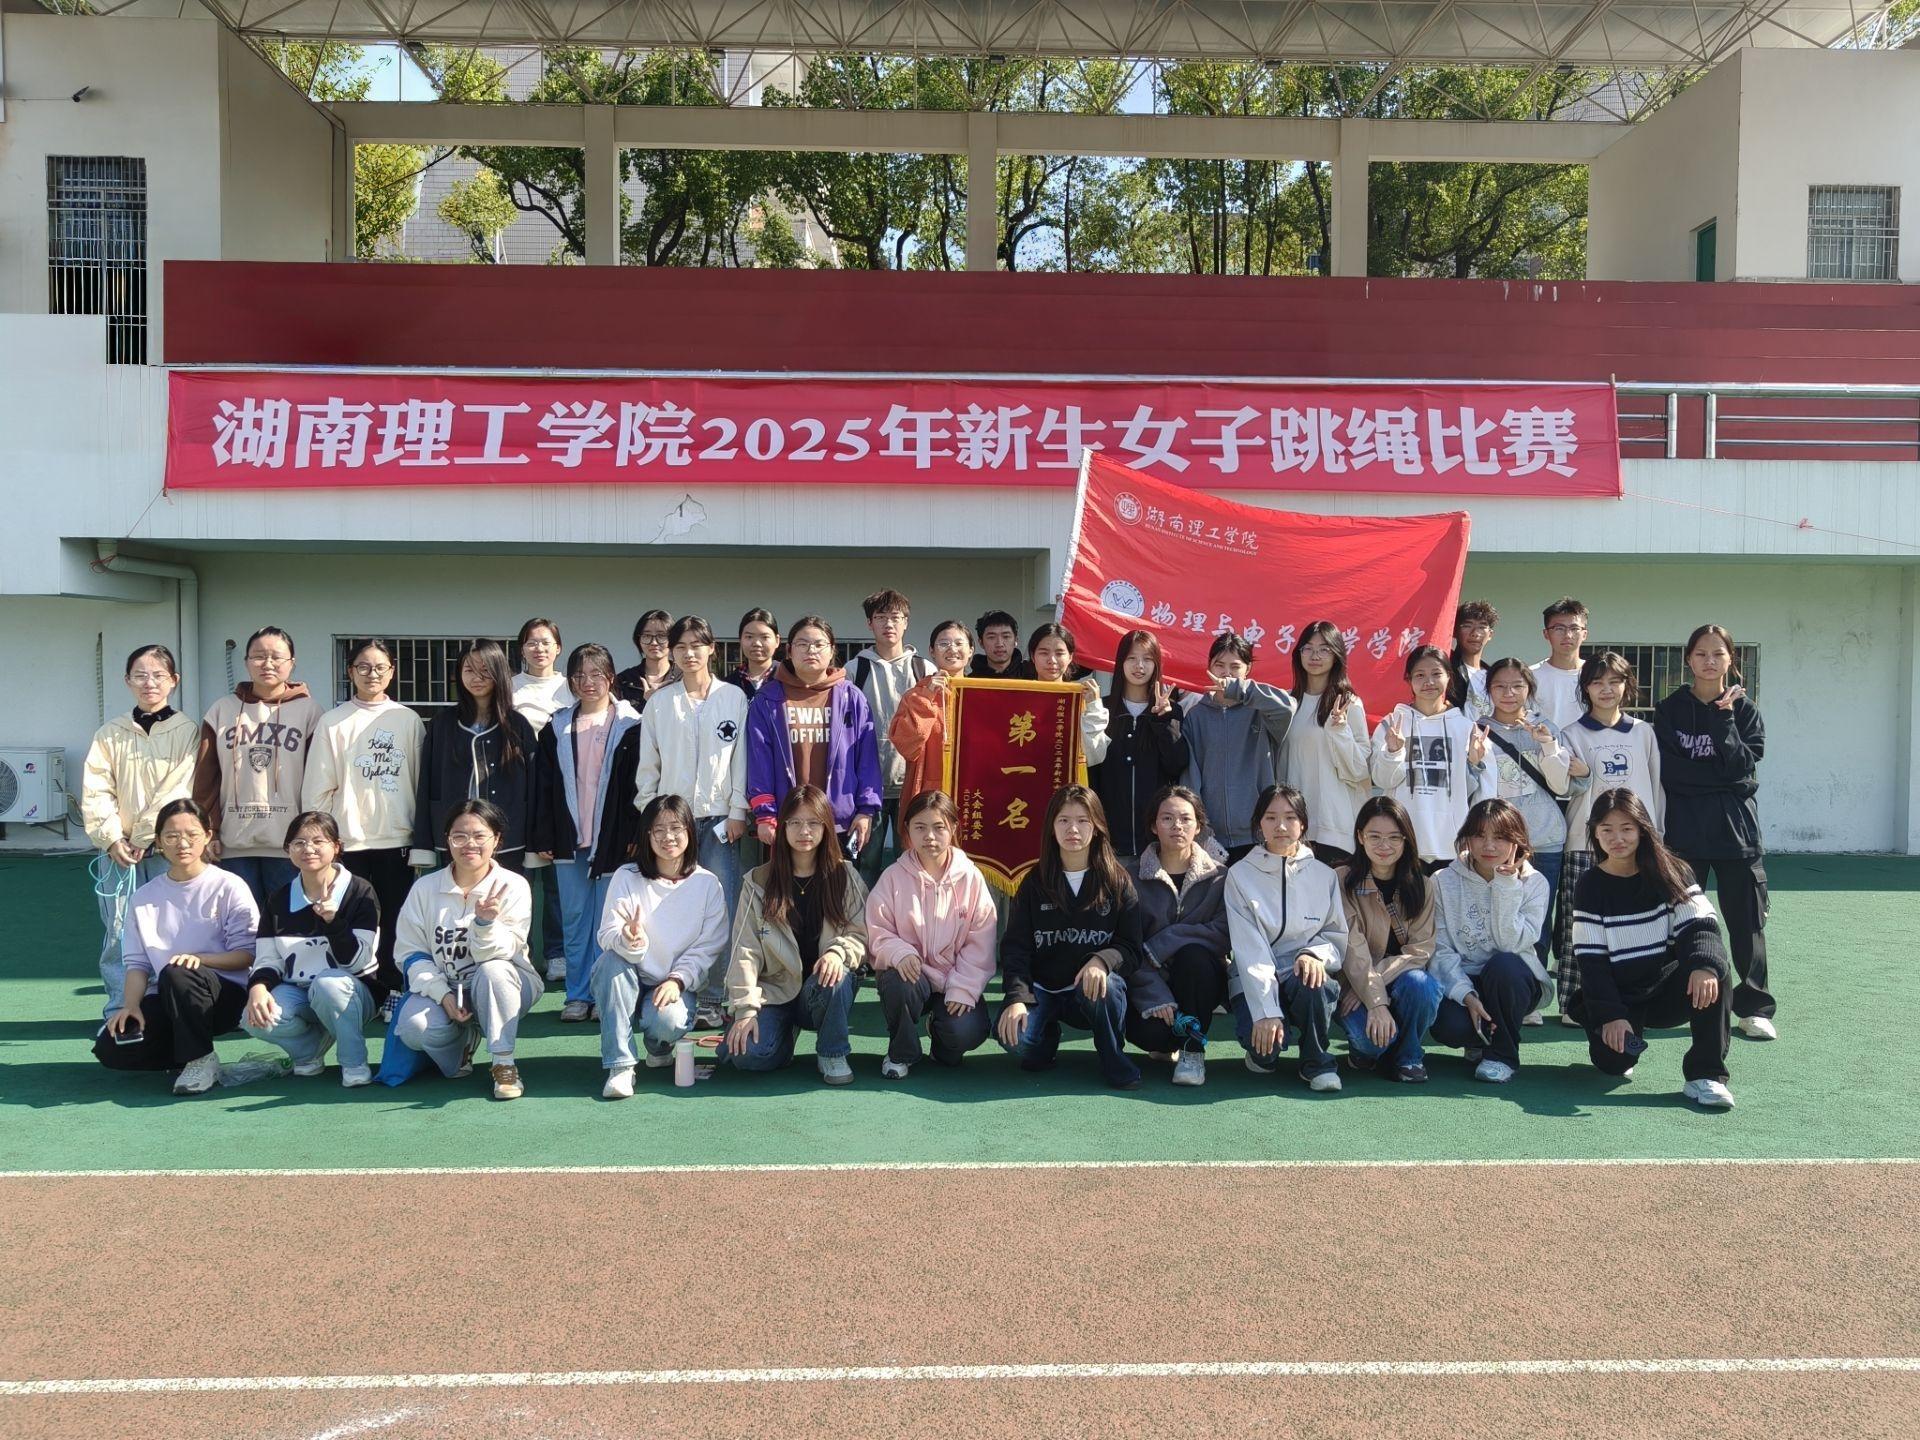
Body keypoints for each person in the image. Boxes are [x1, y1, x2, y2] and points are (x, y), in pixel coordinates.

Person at [1569, 788, 1735, 1108]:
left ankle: (1706, 1075)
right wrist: (1611, 1015)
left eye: (1627, 828)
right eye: (1607, 830)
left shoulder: (1673, 871)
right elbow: (1591, 961)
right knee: (1613, 1064)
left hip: (1664, 990)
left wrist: (1704, 965)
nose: (1617, 838)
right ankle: (1600, 1026)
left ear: (1643, 830)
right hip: (1621, 995)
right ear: (1595, 834)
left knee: (1715, 969)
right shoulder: (1590, 886)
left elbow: (1700, 925)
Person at [1654, 623, 1775, 1040]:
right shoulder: (1669, 709)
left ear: (1730, 660)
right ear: (1688, 659)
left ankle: (1754, 1007)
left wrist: (1724, 720)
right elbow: (1671, 772)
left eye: (1718, 653)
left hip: (1736, 832)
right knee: (1681, 921)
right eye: (1701, 653)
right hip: (1684, 832)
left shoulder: (1745, 710)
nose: (1709, 661)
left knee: (1747, 924)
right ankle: (1676, 1000)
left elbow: (1742, 765)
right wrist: (1722, 777)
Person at [92, 798, 260, 1094]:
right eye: (171, 836)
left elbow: (247, 955)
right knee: (111, 1050)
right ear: (158, 842)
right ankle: (188, 1052)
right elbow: (137, 965)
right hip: (169, 995)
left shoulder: (229, 886)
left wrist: (200, 959)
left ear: (207, 836)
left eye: (192, 834)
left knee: (177, 971)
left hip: (225, 996)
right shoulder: (144, 897)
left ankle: (199, 1059)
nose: (182, 844)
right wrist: (130, 1006)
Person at [635, 615, 750, 1029]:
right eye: (680, 646)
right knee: (676, 907)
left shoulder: (733, 697)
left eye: (696, 645)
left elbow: (741, 758)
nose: (688, 653)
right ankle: (671, 989)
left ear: (712, 649)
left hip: (720, 821)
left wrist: (738, 810)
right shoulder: (660, 703)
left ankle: (714, 998)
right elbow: (648, 765)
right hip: (672, 823)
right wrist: (651, 814)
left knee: (721, 908)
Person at [994, 785, 1144, 1090]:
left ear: (1097, 826)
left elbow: (1131, 948)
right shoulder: (1034, 882)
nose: (1072, 829)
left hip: (1089, 992)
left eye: (1082, 820)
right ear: (1051, 827)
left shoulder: (1117, 881)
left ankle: (1112, 1055)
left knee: (1108, 985)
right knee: (1015, 1040)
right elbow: (1015, 949)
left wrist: (1101, 961)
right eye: (1063, 820)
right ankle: (1045, 1038)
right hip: (1043, 990)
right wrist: (1016, 999)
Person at [390, 799, 540, 1100]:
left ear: (496, 840)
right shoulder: (425, 888)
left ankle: (503, 1062)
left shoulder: (513, 885)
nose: (470, 844)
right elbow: (410, 953)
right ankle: (461, 1049)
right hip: (447, 986)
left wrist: (484, 924)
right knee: (413, 1027)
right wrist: (442, 994)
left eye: (479, 836)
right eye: (459, 836)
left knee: (493, 970)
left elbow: (503, 952)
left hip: (506, 983)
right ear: (447, 840)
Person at [82, 643, 198, 1019]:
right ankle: (121, 1009)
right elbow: (97, 789)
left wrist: (147, 836)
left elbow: (179, 788)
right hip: (119, 853)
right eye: (141, 675)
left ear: (174, 680)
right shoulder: (109, 733)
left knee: (171, 929)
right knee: (119, 930)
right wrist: (112, 838)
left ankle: (167, 1009)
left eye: (159, 675)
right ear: (127, 681)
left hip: (168, 849)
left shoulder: (187, 731)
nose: (150, 683)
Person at [724, 786, 868, 1085]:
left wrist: (838, 952)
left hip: (821, 990)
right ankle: (783, 1035)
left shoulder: (845, 876)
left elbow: (862, 933)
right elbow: (745, 951)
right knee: (747, 1055)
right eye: (795, 822)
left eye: (814, 823)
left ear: (826, 827)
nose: (805, 831)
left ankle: (832, 1052)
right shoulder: (758, 881)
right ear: (783, 826)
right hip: (774, 992)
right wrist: (746, 1010)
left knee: (838, 974)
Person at [301, 639, 421, 995]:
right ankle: (354, 990)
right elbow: (317, 788)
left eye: (380, 667)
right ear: (350, 671)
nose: (372, 674)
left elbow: (419, 780)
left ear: (392, 672)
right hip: (348, 840)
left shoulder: (408, 719)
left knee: (395, 919)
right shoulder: (332, 722)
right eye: (363, 667)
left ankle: (393, 988)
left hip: (396, 838)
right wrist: (324, 840)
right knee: (348, 917)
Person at [530, 643, 642, 1023]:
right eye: (579, 675)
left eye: (596, 674)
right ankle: (577, 995)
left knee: (608, 919)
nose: (588, 682)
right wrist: (544, 835)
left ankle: (603, 992)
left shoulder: (631, 725)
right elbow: (544, 786)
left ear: (610, 677)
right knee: (574, 918)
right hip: (570, 837)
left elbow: (636, 787)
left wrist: (634, 832)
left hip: (614, 837)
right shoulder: (557, 727)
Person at [593, 794, 731, 1098]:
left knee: (668, 1022)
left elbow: (709, 945)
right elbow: (607, 933)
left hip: (673, 982)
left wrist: (677, 979)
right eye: (658, 829)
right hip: (629, 973)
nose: (668, 837)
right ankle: (620, 1066)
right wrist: (628, 939)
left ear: (690, 832)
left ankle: (659, 1046)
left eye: (676, 828)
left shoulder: (707, 884)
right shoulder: (626, 876)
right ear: (647, 835)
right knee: (609, 964)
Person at [1557, 651, 1664, 1023]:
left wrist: (1656, 834)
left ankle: (1633, 1000)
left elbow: (1655, 787)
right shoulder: (1571, 734)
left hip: (1637, 844)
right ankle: (1573, 1003)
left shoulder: (1643, 732)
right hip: (1583, 842)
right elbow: (1565, 787)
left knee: (1636, 923)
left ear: (1627, 685)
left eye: (1614, 681)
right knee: (1577, 922)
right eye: (1597, 682)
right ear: (1585, 688)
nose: (1606, 689)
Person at [240, 811, 384, 1087]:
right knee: (253, 1017)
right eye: (299, 843)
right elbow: (268, 958)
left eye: (318, 841)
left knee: (329, 985)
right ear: (288, 850)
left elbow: (356, 962)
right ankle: (308, 1051)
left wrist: (333, 922)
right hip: (298, 992)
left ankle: (354, 1062)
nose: (308, 849)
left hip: (352, 992)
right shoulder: (279, 898)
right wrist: (257, 987)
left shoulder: (359, 891)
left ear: (336, 847)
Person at [866, 790, 998, 1078]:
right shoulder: (893, 877)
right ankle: (902, 1052)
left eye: (939, 827)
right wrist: (899, 952)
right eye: (920, 827)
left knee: (965, 1032)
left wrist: (964, 987)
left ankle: (941, 1042)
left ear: (954, 828)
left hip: (953, 978)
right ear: (907, 831)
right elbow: (877, 929)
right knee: (898, 982)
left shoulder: (971, 878)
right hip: (913, 977)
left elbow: (981, 940)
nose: (930, 837)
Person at [1225, 784, 1348, 1092]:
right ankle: (1262, 1051)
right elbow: (1249, 949)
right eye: (1271, 817)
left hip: (1300, 972)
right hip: (1254, 977)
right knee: (1265, 1055)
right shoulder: (1240, 874)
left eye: (1290, 817)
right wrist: (1266, 1011)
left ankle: (1317, 1062)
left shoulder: (1324, 875)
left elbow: (1335, 934)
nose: (1281, 826)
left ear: (1302, 824)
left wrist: (1314, 954)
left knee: (1315, 979)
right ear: (1259, 824)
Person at [1481, 656, 1588, 1005]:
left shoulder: (1547, 728)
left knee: (1538, 922)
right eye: (1500, 686)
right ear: (1488, 690)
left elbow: (1565, 785)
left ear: (1529, 689)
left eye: (1517, 686)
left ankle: (1532, 996)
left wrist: (1547, 745)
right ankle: (1501, 992)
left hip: (1543, 840)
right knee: (1496, 919)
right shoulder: (1476, 730)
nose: (1509, 693)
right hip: (1494, 844)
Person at [192, 625, 321, 906]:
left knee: (290, 920)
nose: (268, 663)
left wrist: (313, 835)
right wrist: (208, 830)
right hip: (233, 843)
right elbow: (206, 778)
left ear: (292, 663)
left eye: (277, 657)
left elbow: (319, 780)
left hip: (290, 844)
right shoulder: (221, 710)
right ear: (246, 661)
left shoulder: (309, 711)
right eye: (259, 656)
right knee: (241, 922)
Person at [1427, 799, 1552, 1083]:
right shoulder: (1441, 880)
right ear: (1467, 838)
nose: (1489, 845)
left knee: (1504, 964)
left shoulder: (1535, 883)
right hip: (1466, 977)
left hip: (1513, 980)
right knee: (1448, 1026)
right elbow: (1440, 948)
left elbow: (1511, 944)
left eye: (1500, 837)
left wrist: (1506, 884)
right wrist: (1467, 995)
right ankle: (1479, 1040)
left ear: (1517, 841)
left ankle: (1502, 1056)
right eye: (1479, 835)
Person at [746, 614, 883, 857]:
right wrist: (765, 813)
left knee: (836, 881)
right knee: (787, 881)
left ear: (832, 650)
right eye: (802, 644)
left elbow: (867, 759)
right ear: (789, 651)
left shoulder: (851, 698)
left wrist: (866, 810)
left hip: (839, 820)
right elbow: (759, 761)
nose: (811, 650)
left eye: (819, 644)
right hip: (787, 821)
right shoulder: (768, 700)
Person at [1127, 785, 1230, 1087]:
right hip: (1149, 982)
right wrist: (1155, 995)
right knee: (1153, 1035)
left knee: (1194, 956)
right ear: (1153, 825)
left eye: (1186, 819)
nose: (1177, 826)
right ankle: (1166, 1043)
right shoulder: (1130, 877)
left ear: (1198, 826)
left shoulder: (1220, 877)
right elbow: (1127, 944)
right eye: (1167, 818)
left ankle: (1192, 1050)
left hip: (1200, 980)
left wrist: (1166, 941)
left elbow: (1223, 933)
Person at [1336, 797, 1442, 1084]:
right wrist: (1373, 999)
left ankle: (1409, 1057)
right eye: (1375, 837)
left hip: (1397, 982)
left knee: (1422, 984)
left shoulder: (1422, 885)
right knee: (1371, 1044)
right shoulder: (1341, 880)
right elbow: (1352, 947)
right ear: (1360, 837)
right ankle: (1372, 1051)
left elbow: (1420, 951)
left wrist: (1373, 987)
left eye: (1394, 837)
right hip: (1352, 983)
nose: (1385, 845)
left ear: (1406, 840)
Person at [411, 641, 538, 873]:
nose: (477, 678)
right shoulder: (442, 724)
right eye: (469, 670)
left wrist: (535, 839)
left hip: (508, 840)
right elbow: (426, 785)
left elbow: (534, 787)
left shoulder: (517, 725)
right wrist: (423, 842)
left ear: (499, 672)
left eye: (485, 670)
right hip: (456, 839)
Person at [1368, 645, 1494, 869]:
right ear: (1408, 679)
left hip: (1452, 845)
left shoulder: (1467, 729)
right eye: (1420, 675)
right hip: (1402, 842)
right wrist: (1393, 752)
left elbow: (1482, 792)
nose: (1429, 682)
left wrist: (1474, 763)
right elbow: (1382, 781)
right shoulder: (1392, 724)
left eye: (1436, 674)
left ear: (1449, 676)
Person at [1184, 632, 1297, 863]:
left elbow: (1287, 708)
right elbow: (1191, 778)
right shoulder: (1196, 716)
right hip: (1211, 840)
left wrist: (1240, 690)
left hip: (1259, 835)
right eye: (1219, 665)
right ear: (1209, 667)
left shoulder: (1262, 712)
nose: (1226, 673)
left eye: (1235, 667)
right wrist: (1201, 830)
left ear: (1248, 670)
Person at [851, 588, 937, 887]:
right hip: (868, 787)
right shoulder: (855, 669)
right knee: (866, 863)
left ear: (906, 623)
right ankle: (863, 918)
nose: (889, 623)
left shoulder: (924, 668)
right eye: (881, 617)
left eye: (895, 617)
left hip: (913, 784)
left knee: (913, 862)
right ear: (869, 624)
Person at [1090, 629, 1188, 862]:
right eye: (1132, 658)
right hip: (1110, 842)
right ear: (1120, 663)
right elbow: (1092, 768)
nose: (1139, 666)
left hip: (1157, 843)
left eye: (1147, 659)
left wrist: (1163, 721)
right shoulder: (1102, 710)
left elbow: (1177, 764)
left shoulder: (1170, 710)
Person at [1282, 620, 1371, 869]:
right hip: (1294, 825)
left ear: (1336, 655)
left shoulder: (1348, 703)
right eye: (1308, 649)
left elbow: (1359, 769)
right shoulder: (1288, 703)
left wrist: (1339, 730)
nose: (1315, 656)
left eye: (1324, 649)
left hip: (1335, 827)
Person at [511, 617, 571, 985]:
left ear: (558, 647)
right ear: (522, 649)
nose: (539, 649)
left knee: (555, 878)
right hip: (517, 788)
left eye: (546, 642)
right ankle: (518, 952)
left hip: (559, 788)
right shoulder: (509, 688)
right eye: (532, 642)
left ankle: (557, 953)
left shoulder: (571, 686)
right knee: (517, 877)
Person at [889, 619, 973, 831]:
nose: (952, 649)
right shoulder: (916, 695)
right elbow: (907, 747)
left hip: (971, 793)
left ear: (971, 651)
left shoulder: (981, 695)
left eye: (959, 643)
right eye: (944, 644)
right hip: (929, 794)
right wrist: (927, 697)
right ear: (932, 651)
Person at [1027, 623, 1111, 772]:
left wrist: (1094, 706)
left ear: (1070, 657)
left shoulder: (1081, 698)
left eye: (1059, 653)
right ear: (1033, 656)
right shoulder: (1019, 695)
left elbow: (1094, 756)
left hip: (1068, 782)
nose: (1052, 660)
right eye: (1044, 653)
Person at [1531, 597, 1589, 731]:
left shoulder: (1597, 675)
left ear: (1584, 634)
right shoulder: (1530, 676)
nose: (1568, 635)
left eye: (1574, 628)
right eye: (1559, 628)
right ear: (1546, 634)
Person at [614, 609, 680, 710]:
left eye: (661, 636)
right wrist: (647, 702)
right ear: (638, 640)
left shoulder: (683, 678)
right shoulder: (624, 680)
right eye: (647, 636)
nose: (654, 642)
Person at [1448, 600, 1499, 714]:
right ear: (1454, 631)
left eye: (1482, 627)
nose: (1475, 633)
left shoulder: (1494, 675)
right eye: (1467, 626)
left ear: (1490, 634)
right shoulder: (1444, 669)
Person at [725, 607, 781, 700]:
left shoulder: (789, 679)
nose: (757, 643)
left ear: (777, 641)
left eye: (765, 637)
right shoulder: (728, 684)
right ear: (740, 640)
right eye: (749, 637)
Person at [968, 610, 1027, 678]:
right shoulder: (970, 681)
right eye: (991, 637)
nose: (999, 644)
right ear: (981, 643)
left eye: (1006, 636)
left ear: (1016, 640)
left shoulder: (1031, 676)